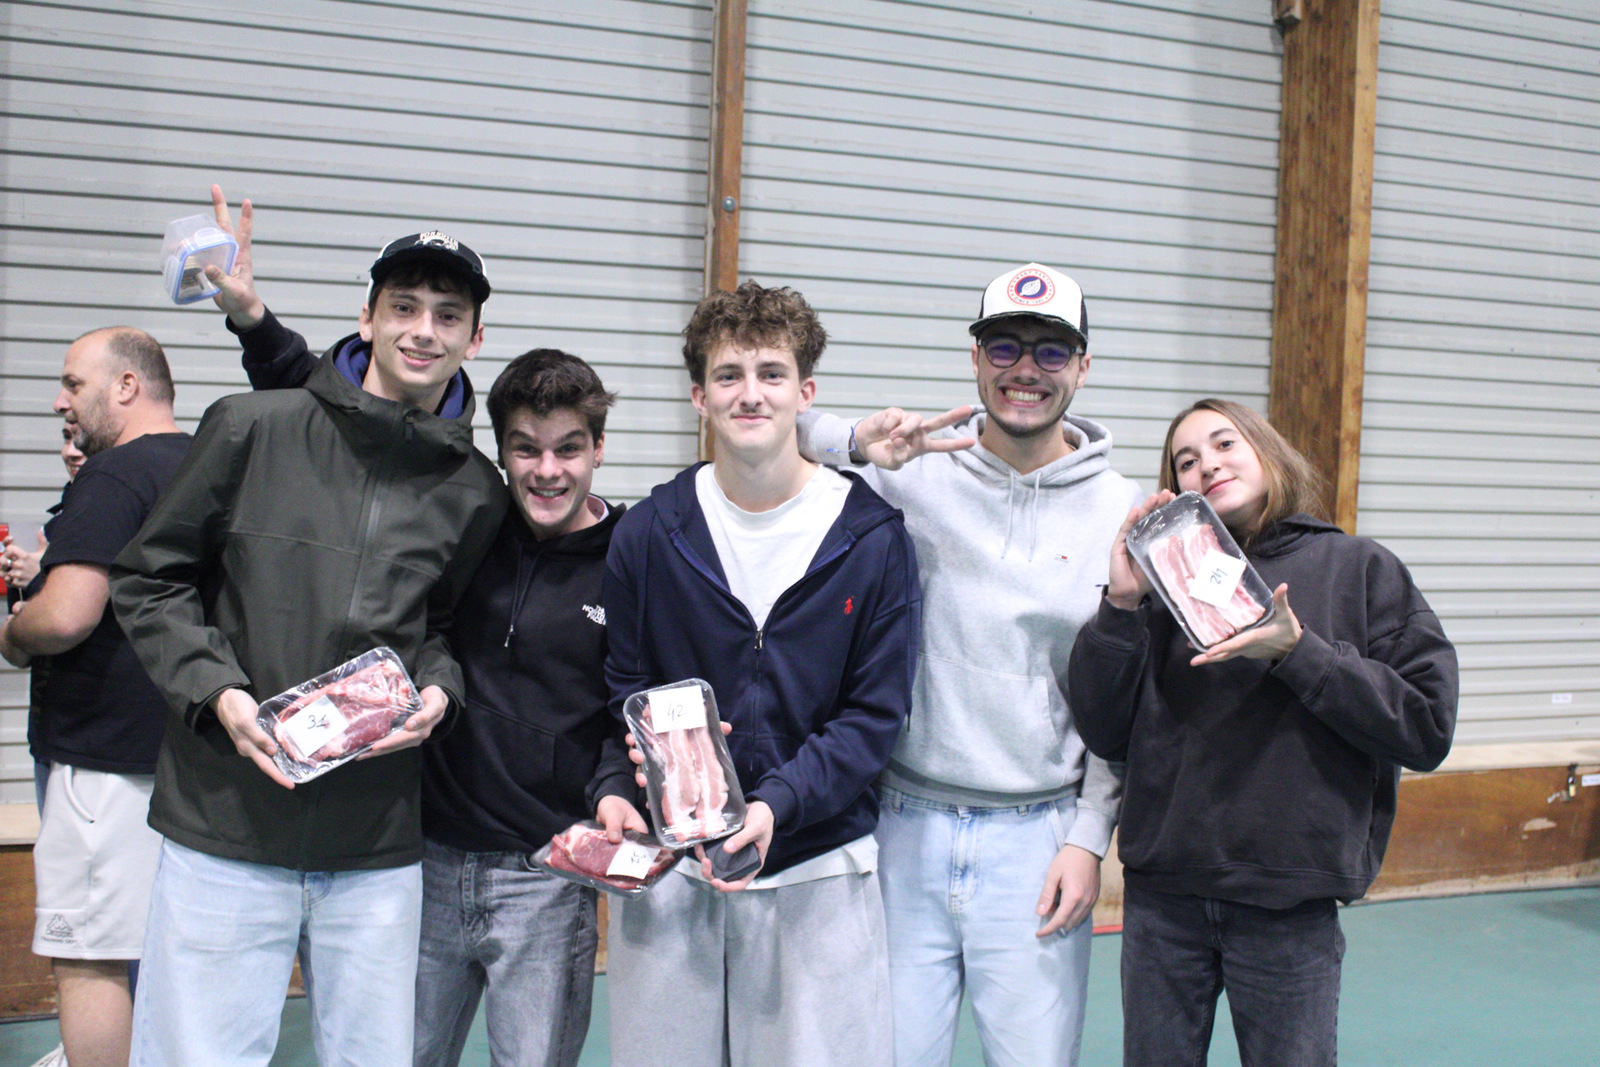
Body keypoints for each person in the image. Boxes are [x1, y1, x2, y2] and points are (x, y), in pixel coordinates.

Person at [201, 186, 636, 1067]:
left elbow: (631, 696)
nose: (547, 471)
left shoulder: (634, 557)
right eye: (525, 448)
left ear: (599, 448)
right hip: (424, 857)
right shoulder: (467, 509)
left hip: (545, 873)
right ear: (500, 450)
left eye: (569, 449)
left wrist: (615, 790)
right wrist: (251, 320)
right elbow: (337, 419)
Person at [109, 202, 506, 1066]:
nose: (423, 330)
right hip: (226, 822)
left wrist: (439, 689)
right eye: (404, 307)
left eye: (448, 315)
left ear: (475, 339)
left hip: (376, 843)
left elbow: (442, 625)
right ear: (367, 317)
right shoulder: (252, 427)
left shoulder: (477, 491)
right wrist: (217, 690)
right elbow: (148, 577)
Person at [796, 262, 1140, 1067]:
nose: (1026, 370)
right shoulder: (905, 473)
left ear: (1084, 366)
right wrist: (858, 440)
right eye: (1005, 346)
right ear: (976, 357)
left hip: (1038, 841)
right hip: (901, 828)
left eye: (1052, 351)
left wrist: (1089, 837)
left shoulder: (1121, 509)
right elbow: (779, 428)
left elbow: (1121, 696)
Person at [1068, 397, 1459, 1067]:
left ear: (1267, 450)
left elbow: (1425, 725)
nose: (1207, 465)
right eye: (1186, 460)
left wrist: (1297, 652)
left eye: (1224, 444)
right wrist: (1123, 603)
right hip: (1166, 900)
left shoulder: (1359, 569)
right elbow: (1104, 728)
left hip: (1289, 903)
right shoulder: (1162, 588)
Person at [601, 280, 919, 1067]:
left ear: (805, 393)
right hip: (676, 875)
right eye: (729, 375)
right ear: (699, 397)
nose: (751, 393)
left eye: (771, 373)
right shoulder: (648, 532)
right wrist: (638, 764)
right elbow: (623, 689)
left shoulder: (873, 538)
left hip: (818, 870)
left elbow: (874, 717)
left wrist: (778, 802)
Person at [0, 329, 189, 1067]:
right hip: (188, 760)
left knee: (92, 956)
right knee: (165, 950)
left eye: (74, 384)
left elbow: (67, 614)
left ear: (126, 386)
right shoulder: (206, 463)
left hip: (104, 764)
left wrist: (14, 633)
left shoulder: (113, 476)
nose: (61, 401)